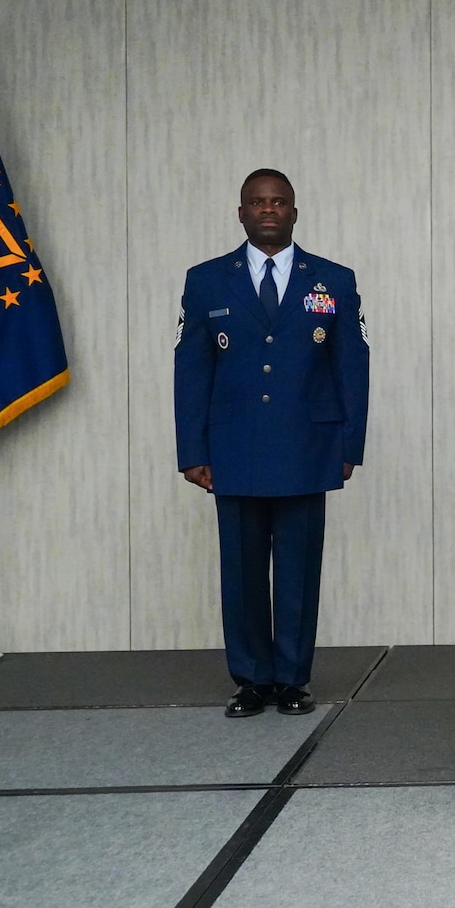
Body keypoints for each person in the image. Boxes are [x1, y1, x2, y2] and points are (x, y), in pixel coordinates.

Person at [174, 168, 369, 719]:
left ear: (294, 212)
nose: (268, 210)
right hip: (232, 448)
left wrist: (349, 444)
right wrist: (193, 450)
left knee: (299, 569)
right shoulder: (207, 280)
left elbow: (351, 365)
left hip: (308, 446)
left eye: (278, 202)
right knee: (240, 568)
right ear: (240, 212)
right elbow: (191, 367)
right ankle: (251, 680)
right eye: (257, 202)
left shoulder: (332, 279)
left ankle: (291, 680)